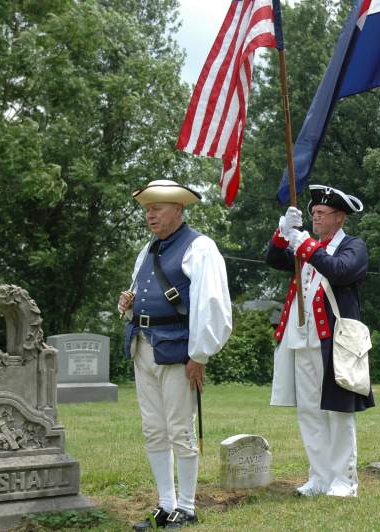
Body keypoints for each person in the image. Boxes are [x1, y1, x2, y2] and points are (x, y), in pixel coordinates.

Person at [117, 179, 232, 530]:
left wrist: (199, 355)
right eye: (148, 208)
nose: (150, 214)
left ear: (178, 210)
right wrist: (126, 303)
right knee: (153, 429)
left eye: (158, 208)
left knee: (180, 430)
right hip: (143, 346)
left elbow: (211, 306)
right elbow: (140, 293)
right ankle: (165, 504)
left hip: (178, 351)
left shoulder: (201, 247)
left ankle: (187, 505)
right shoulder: (149, 249)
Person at [266, 184, 374, 498]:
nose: (316, 218)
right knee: (309, 412)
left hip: (334, 341)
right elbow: (274, 258)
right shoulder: (305, 245)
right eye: (314, 213)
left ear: (340, 217)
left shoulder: (353, 247)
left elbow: (339, 271)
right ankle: (319, 477)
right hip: (301, 338)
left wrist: (308, 246)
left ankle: (344, 480)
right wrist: (284, 231)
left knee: (338, 412)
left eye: (323, 213)